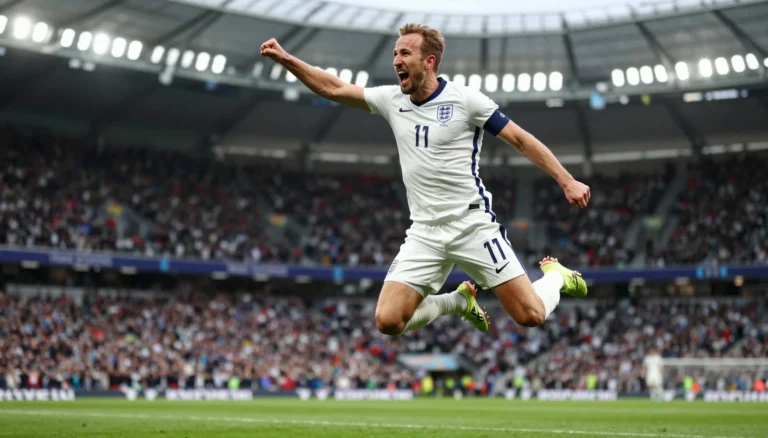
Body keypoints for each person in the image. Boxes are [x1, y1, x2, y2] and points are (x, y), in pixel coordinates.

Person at [260, 23, 590, 336]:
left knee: (530, 315)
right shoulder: (391, 100)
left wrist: (566, 180)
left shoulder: (465, 101)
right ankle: (458, 301)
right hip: (425, 232)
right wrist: (287, 59)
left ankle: (555, 278)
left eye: (404, 53)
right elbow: (334, 88)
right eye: (395, 54)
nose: (396, 61)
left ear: (428, 61)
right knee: (388, 321)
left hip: (471, 225)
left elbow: (520, 139)